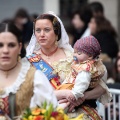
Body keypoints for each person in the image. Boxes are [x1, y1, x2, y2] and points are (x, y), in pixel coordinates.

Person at [26, 11, 111, 118]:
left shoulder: (74, 56)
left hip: (79, 112)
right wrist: (66, 94)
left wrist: (82, 97)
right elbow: (30, 94)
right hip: (47, 114)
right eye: (38, 30)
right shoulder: (29, 61)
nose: (42, 34)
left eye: (47, 30)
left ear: (57, 32)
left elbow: (102, 86)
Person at [0, 23, 57, 119]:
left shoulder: (34, 78)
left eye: (11, 45)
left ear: (19, 47)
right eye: (0, 45)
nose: (5, 50)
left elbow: (53, 114)